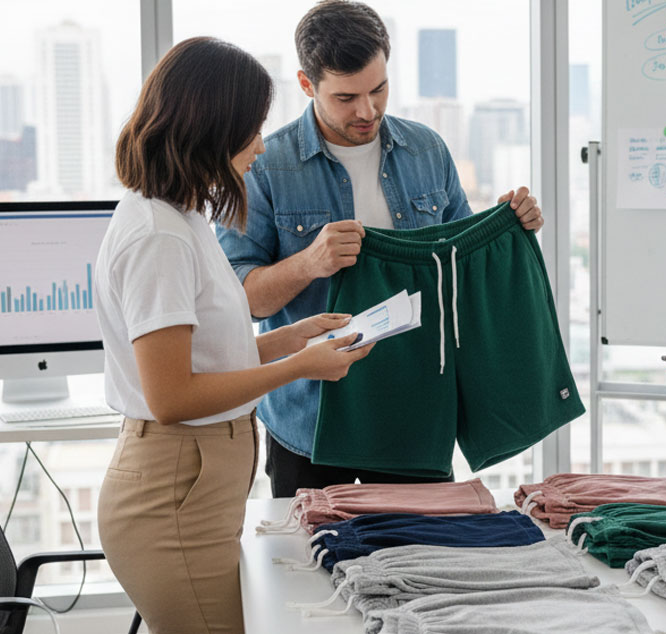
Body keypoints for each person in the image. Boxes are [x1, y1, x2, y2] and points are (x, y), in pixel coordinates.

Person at [94, 37, 373, 633]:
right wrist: (302, 367)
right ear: (213, 128)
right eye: (252, 129)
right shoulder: (158, 236)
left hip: (194, 488)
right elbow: (174, 398)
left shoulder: (182, 219)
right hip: (173, 496)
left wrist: (294, 337)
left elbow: (210, 357)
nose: (260, 146)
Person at [217, 0, 544, 497]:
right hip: (309, 421)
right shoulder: (263, 165)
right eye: (346, 97)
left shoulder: (427, 149)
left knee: (423, 563)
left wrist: (511, 227)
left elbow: (461, 276)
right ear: (307, 85)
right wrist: (310, 263)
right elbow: (243, 299)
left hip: (414, 414)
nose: (367, 110)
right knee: (304, 566)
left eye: (379, 89)